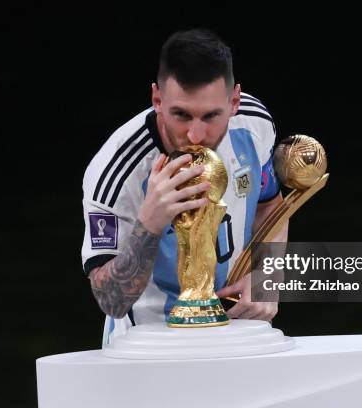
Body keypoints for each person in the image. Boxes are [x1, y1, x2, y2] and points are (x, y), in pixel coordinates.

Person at [81, 29, 288, 344]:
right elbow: (111, 301)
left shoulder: (253, 123)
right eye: (180, 115)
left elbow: (271, 206)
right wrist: (150, 222)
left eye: (210, 116)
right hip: (148, 346)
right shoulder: (116, 172)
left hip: (238, 331)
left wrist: (267, 277)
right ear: (157, 100)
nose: (195, 135)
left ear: (234, 101)